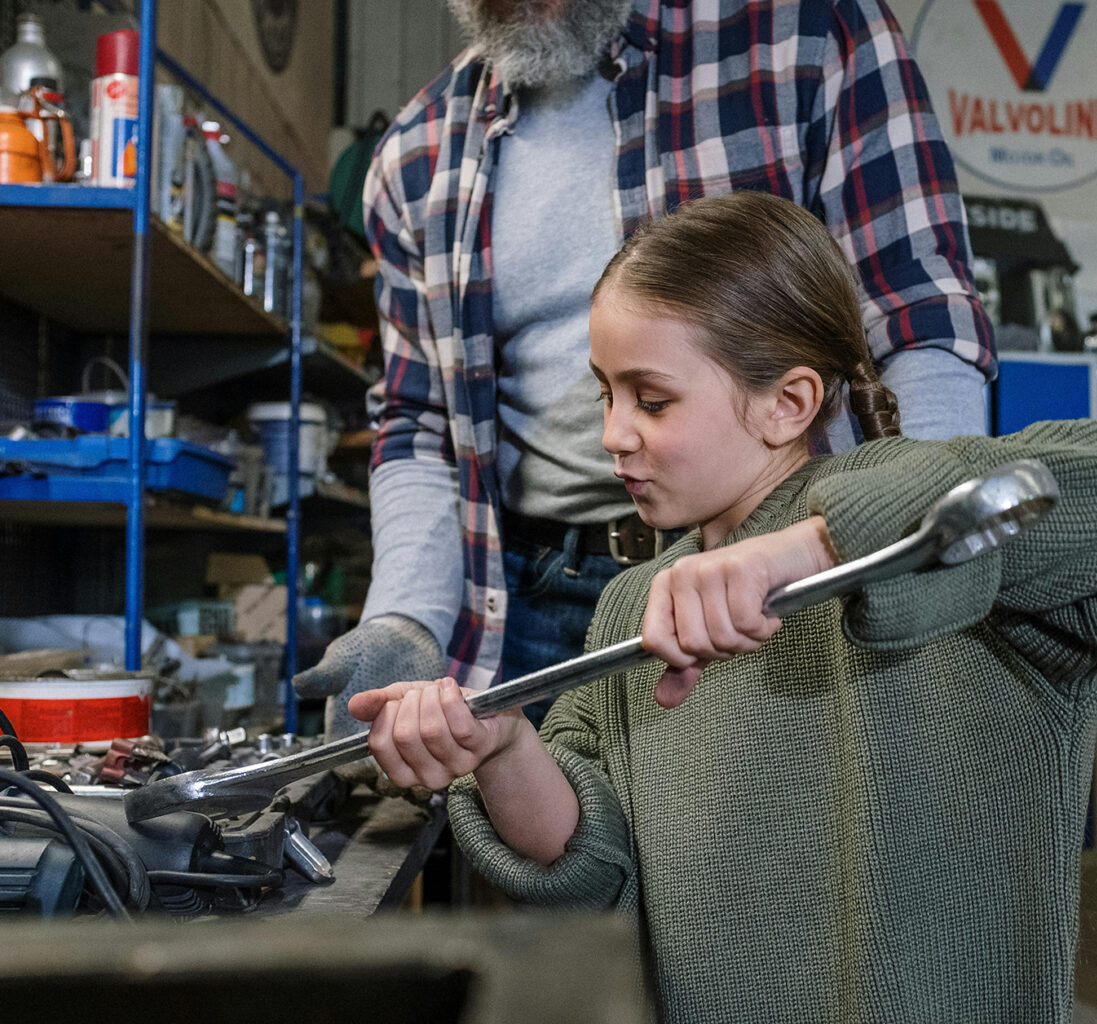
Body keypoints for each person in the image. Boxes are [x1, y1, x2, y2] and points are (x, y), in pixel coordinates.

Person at [351, 191, 1097, 1022]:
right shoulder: (636, 607)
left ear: (789, 403)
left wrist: (807, 552)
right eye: (606, 393)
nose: (613, 434)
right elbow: (593, 869)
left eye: (653, 399)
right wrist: (499, 749)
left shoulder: (943, 551)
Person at [294, 0, 997, 738]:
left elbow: (921, 316)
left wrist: (903, 540)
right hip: (529, 597)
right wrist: (405, 616)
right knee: (555, 840)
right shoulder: (416, 156)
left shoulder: (807, 36)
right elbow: (420, 421)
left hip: (771, 578)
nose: (613, 437)